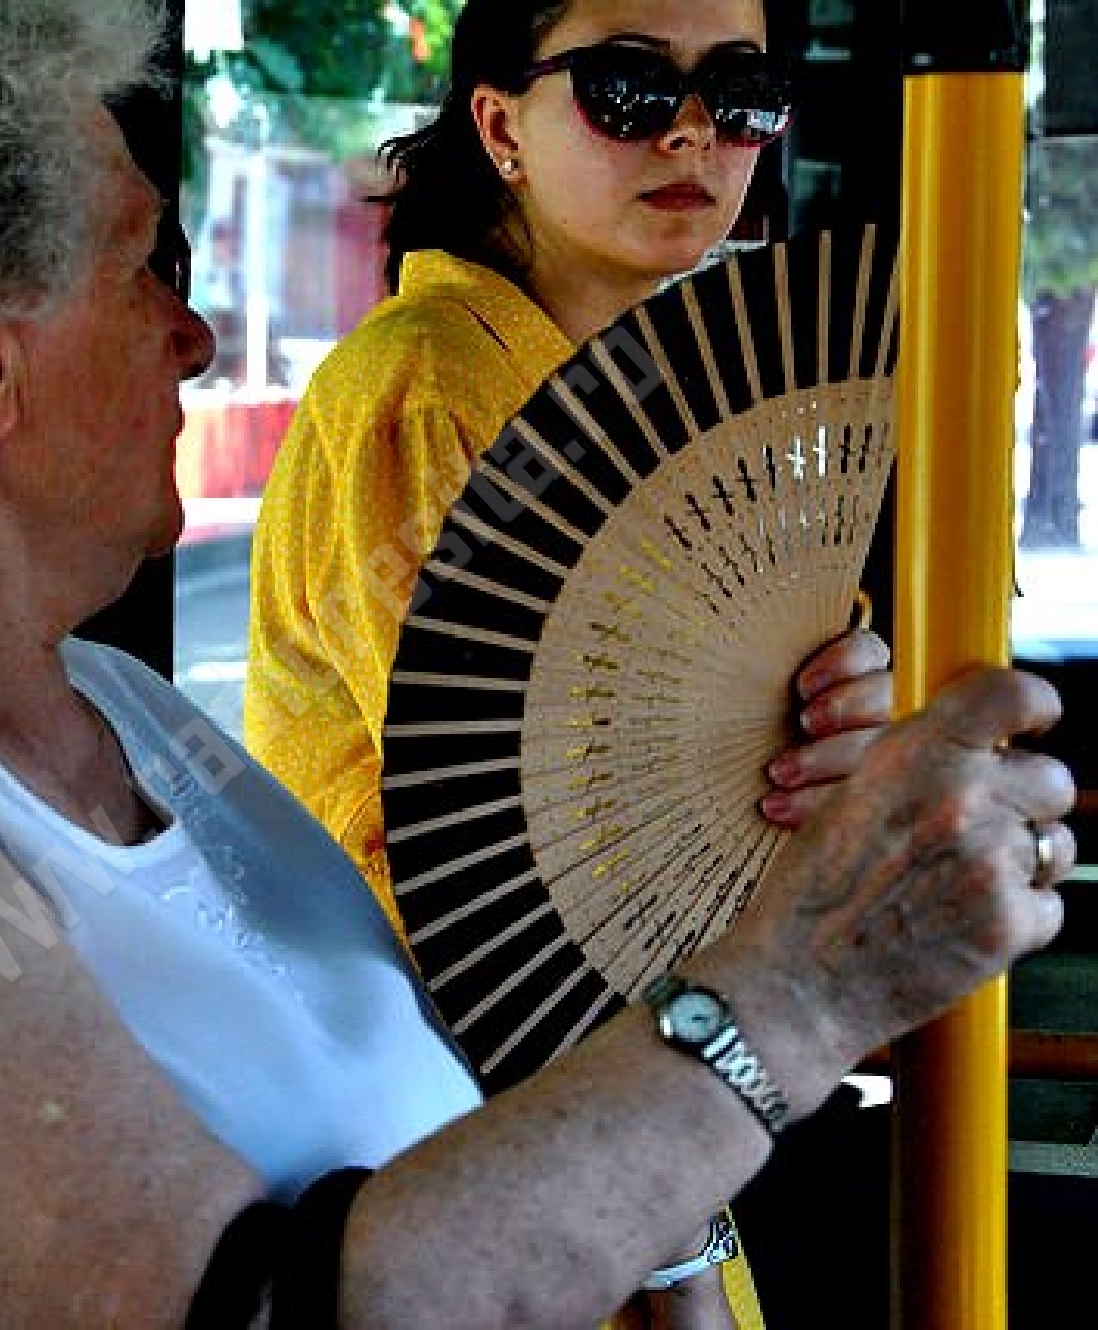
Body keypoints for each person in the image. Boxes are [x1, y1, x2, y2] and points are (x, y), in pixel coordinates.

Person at [0, 1, 1076, 1327]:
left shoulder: (120, 713)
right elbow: (255, 1303)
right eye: (148, 268)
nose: (194, 339)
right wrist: (806, 987)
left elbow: (486, 1056)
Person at [244, 7, 855, 1321]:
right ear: (500, 126)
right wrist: (678, 1255)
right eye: (627, 85)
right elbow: (528, 875)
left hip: (604, 1122)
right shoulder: (431, 389)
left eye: (741, 90)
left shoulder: (635, 400)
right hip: (475, 1143)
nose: (693, 131)